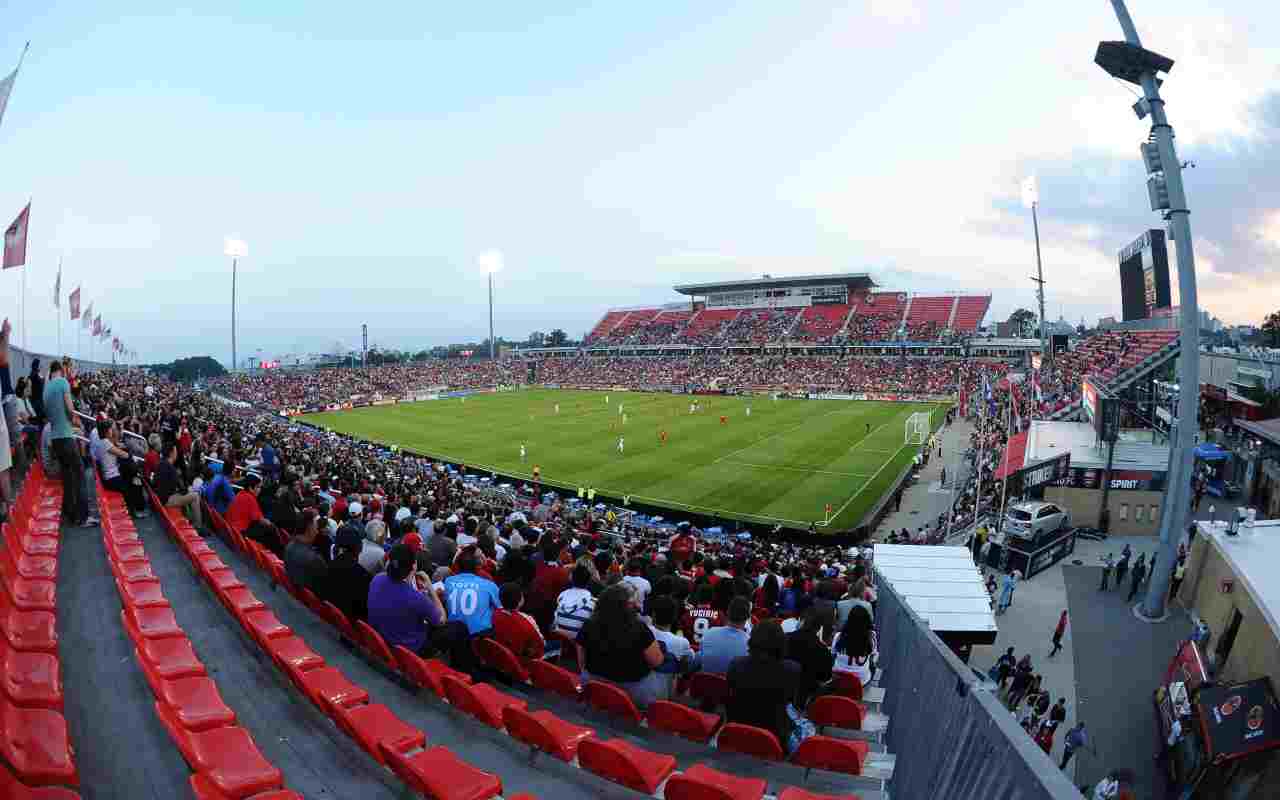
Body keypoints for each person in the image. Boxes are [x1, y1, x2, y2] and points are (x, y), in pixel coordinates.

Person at [726, 620, 814, 754]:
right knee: (807, 726)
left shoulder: (736, 664)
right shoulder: (792, 669)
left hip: (739, 730)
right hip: (776, 736)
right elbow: (792, 703)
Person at [577, 583, 663, 708]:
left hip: (594, 683)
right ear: (627, 606)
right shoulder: (639, 629)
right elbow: (658, 661)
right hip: (632, 691)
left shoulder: (589, 624)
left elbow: (582, 662)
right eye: (632, 603)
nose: (635, 605)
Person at [367, 543, 446, 656]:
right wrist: (430, 588)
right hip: (409, 651)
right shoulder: (416, 598)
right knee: (458, 628)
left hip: (383, 640)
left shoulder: (377, 579)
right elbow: (441, 620)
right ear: (413, 566)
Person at [43, 359, 93, 526]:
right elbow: (70, 408)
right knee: (79, 474)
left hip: (55, 438)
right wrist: (77, 420)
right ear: (62, 369)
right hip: (65, 435)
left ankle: (70, 512)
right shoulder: (62, 382)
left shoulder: (47, 387)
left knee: (68, 476)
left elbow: (49, 414)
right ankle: (83, 516)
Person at [443, 550, 502, 637]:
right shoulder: (489, 584)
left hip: (454, 634)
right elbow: (501, 607)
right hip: (480, 636)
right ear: (477, 567)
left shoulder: (448, 581)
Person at [785, 607, 835, 706]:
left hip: (785, 688)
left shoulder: (785, 638)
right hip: (805, 694)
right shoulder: (823, 651)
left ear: (802, 621)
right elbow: (825, 678)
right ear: (819, 628)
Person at [324, 523, 373, 622]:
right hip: (352, 627)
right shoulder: (364, 576)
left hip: (333, 622)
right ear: (359, 548)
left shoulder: (328, 566)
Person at [647, 595, 693, 700]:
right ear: (674, 617)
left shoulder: (642, 629)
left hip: (635, 693)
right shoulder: (682, 642)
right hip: (661, 697)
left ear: (653, 615)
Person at [226, 474, 282, 555]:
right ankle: (277, 555)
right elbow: (261, 520)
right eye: (258, 487)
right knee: (271, 529)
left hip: (235, 530)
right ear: (250, 488)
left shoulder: (240, 494)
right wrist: (272, 525)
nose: (260, 489)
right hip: (241, 532)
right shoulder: (250, 498)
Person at [154, 440, 203, 531]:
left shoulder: (160, 463)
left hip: (162, 496)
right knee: (195, 495)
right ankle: (198, 526)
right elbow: (182, 489)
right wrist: (189, 490)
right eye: (175, 451)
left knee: (190, 492)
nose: (177, 453)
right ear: (171, 453)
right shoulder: (170, 468)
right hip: (167, 500)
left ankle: (190, 519)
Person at [699, 596, 752, 674]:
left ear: (727, 613)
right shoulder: (750, 644)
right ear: (747, 617)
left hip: (705, 685)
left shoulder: (709, 633)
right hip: (732, 685)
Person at [832, 605, 877, 689]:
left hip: (838, 679)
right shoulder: (871, 637)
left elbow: (833, 654)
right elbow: (872, 655)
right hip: (860, 682)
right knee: (872, 664)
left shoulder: (839, 636)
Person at [284, 509, 329, 592]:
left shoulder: (289, 546)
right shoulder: (314, 559)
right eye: (316, 526)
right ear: (309, 527)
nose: (317, 530)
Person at [553, 564, 596, 637]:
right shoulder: (592, 602)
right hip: (580, 644)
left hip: (561, 641)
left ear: (571, 579)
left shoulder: (562, 596)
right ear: (589, 581)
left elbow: (555, 622)